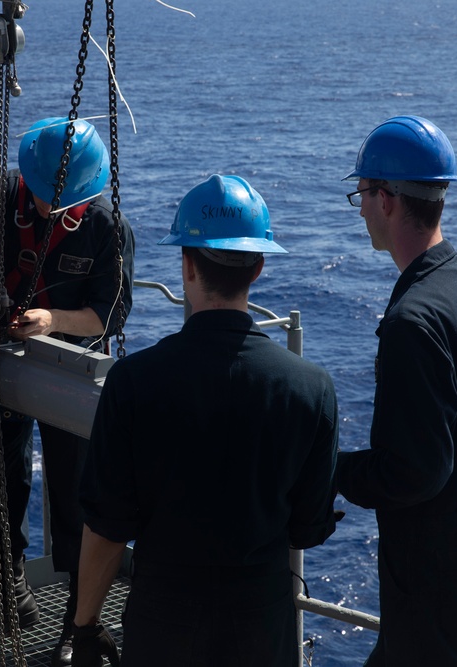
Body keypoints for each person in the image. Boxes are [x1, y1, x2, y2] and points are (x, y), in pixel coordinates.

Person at [70, 174, 340, 667]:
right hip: (262, 627)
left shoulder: (133, 382)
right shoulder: (311, 387)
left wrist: (85, 627)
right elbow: (307, 527)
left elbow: (107, 529)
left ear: (186, 265)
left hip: (163, 626)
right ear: (258, 267)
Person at [0, 116, 135, 663]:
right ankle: (9, 592)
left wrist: (50, 319)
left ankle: (76, 618)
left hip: (69, 374)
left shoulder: (107, 228)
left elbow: (109, 315)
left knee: (74, 492)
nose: (48, 208)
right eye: (39, 197)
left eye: (64, 203)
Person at [336, 115, 457, 666]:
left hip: (435, 566)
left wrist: (327, 466)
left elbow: (413, 472)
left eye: (362, 192)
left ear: (387, 199)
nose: (360, 206)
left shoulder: (414, 319)